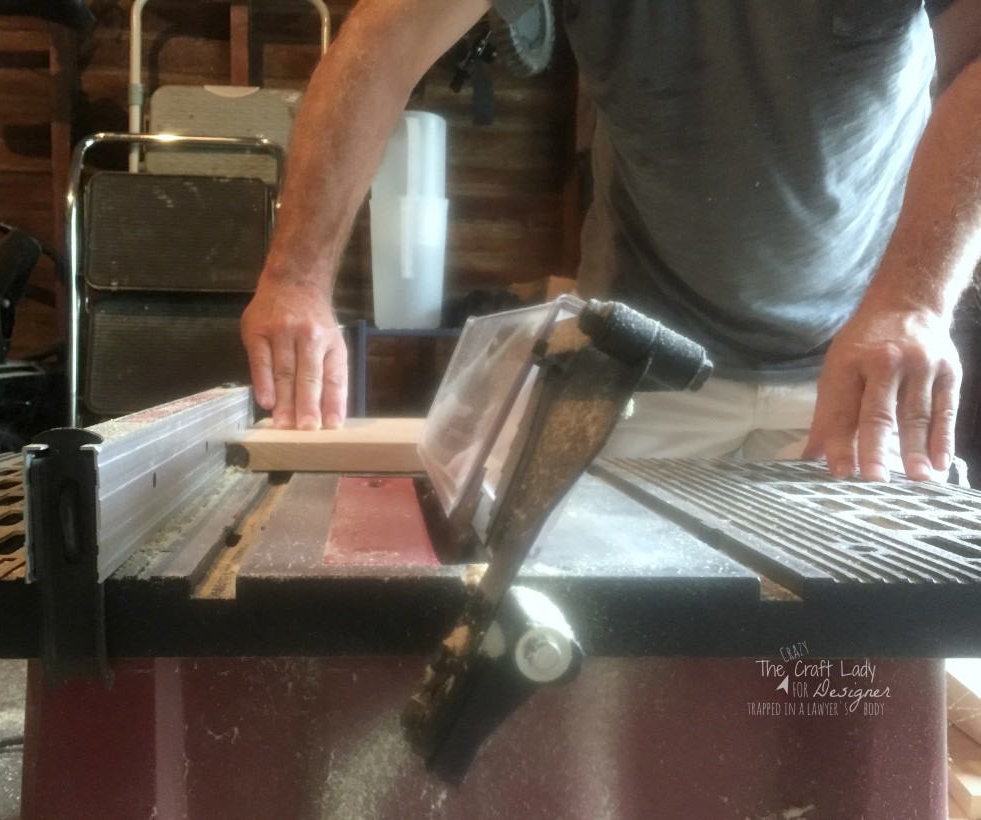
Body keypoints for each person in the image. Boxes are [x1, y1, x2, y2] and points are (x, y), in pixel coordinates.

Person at [237, 0, 981, 815]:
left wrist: (915, 296)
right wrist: (297, 279)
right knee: (598, 686)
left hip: (860, 360)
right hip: (644, 359)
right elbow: (386, 36)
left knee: (859, 704)